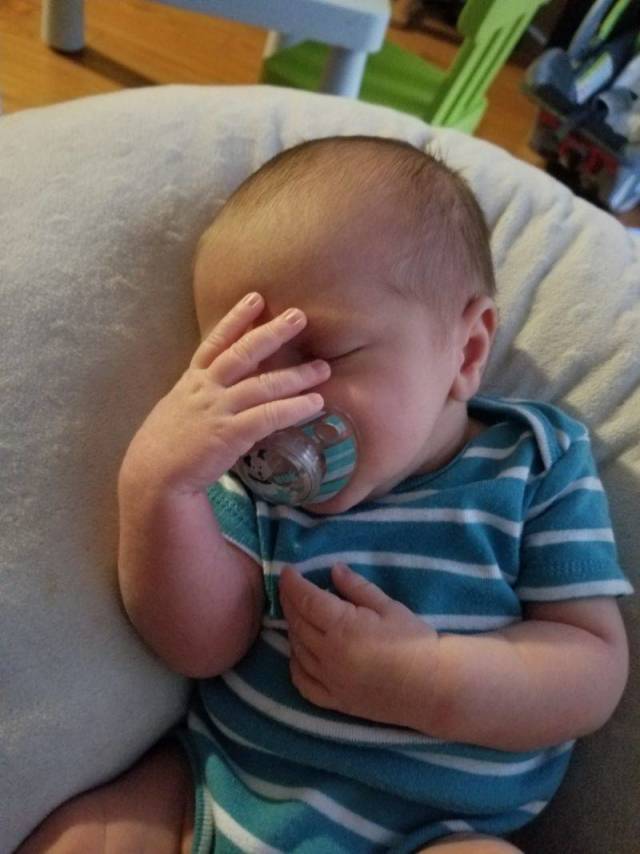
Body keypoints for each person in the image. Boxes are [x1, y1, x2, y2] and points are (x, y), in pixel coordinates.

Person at [20, 136, 632, 854]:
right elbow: (201, 645)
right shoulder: (249, 477)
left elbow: (591, 667)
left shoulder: (533, 463)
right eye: (248, 370)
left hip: (430, 833)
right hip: (225, 793)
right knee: (86, 835)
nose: (285, 405)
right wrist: (161, 489)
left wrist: (427, 679)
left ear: (466, 352)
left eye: (323, 357)